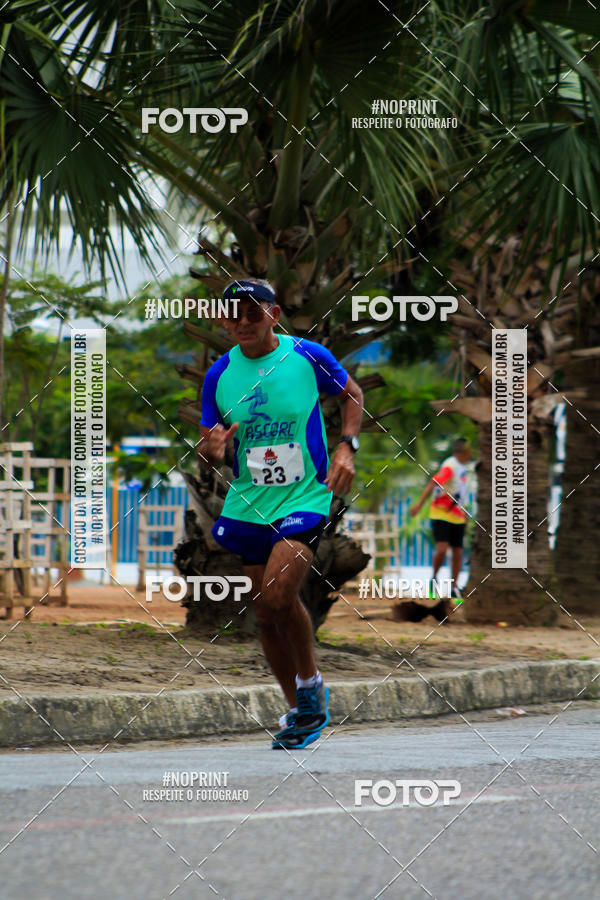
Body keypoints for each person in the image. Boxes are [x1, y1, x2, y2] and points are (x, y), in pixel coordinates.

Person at [197, 279, 363, 749]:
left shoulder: (306, 356)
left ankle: (311, 685)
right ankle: (298, 709)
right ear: (223, 321)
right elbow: (210, 444)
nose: (243, 322)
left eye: (253, 312)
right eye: (234, 314)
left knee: (276, 595)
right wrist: (211, 449)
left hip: (304, 495)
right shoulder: (220, 375)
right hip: (250, 501)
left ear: (273, 313)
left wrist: (347, 447)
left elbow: (353, 395)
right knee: (267, 616)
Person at [409, 437, 472, 606]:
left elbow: (460, 493)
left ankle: (453, 587)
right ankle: (434, 579)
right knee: (442, 549)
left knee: (458, 552)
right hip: (441, 514)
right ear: (465, 452)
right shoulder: (450, 466)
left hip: (457, 516)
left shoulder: (463, 468)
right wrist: (418, 505)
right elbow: (433, 483)